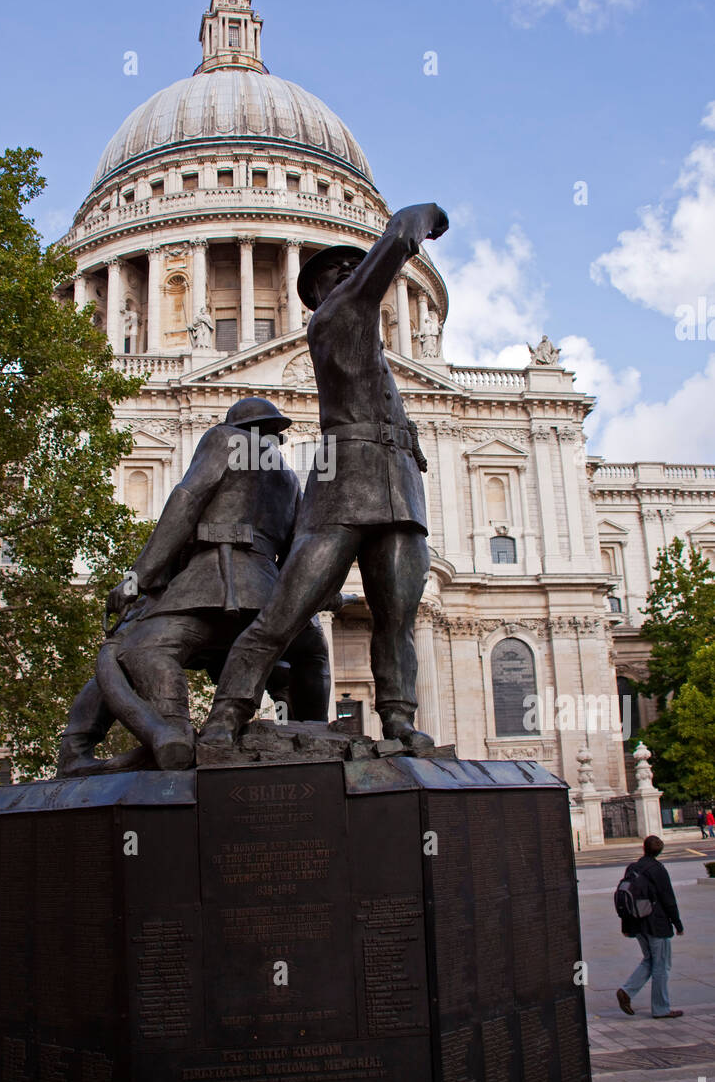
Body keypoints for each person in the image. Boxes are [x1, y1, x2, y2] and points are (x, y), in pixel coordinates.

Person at [200, 202, 448, 750]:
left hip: (398, 488)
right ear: (320, 291)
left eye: (355, 269)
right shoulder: (337, 318)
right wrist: (415, 222)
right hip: (344, 486)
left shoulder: (377, 352)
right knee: (287, 609)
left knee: (398, 618)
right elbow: (393, 246)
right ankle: (228, 711)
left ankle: (399, 719)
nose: (356, 277)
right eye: (343, 271)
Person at [57, 398, 332, 775]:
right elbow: (299, 548)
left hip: (215, 585)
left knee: (137, 649)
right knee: (304, 657)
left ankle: (168, 733)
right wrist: (311, 602)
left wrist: (137, 577)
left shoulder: (225, 439)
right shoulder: (288, 478)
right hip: (268, 596)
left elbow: (186, 501)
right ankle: (313, 737)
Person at [617, 835, 684, 1019]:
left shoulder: (633, 868)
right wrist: (677, 923)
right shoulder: (658, 869)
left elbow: (626, 896)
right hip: (657, 923)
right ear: (659, 851)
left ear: (643, 848)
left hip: (637, 922)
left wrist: (626, 925)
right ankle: (661, 1008)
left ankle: (626, 991)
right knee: (661, 965)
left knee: (649, 959)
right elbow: (668, 899)